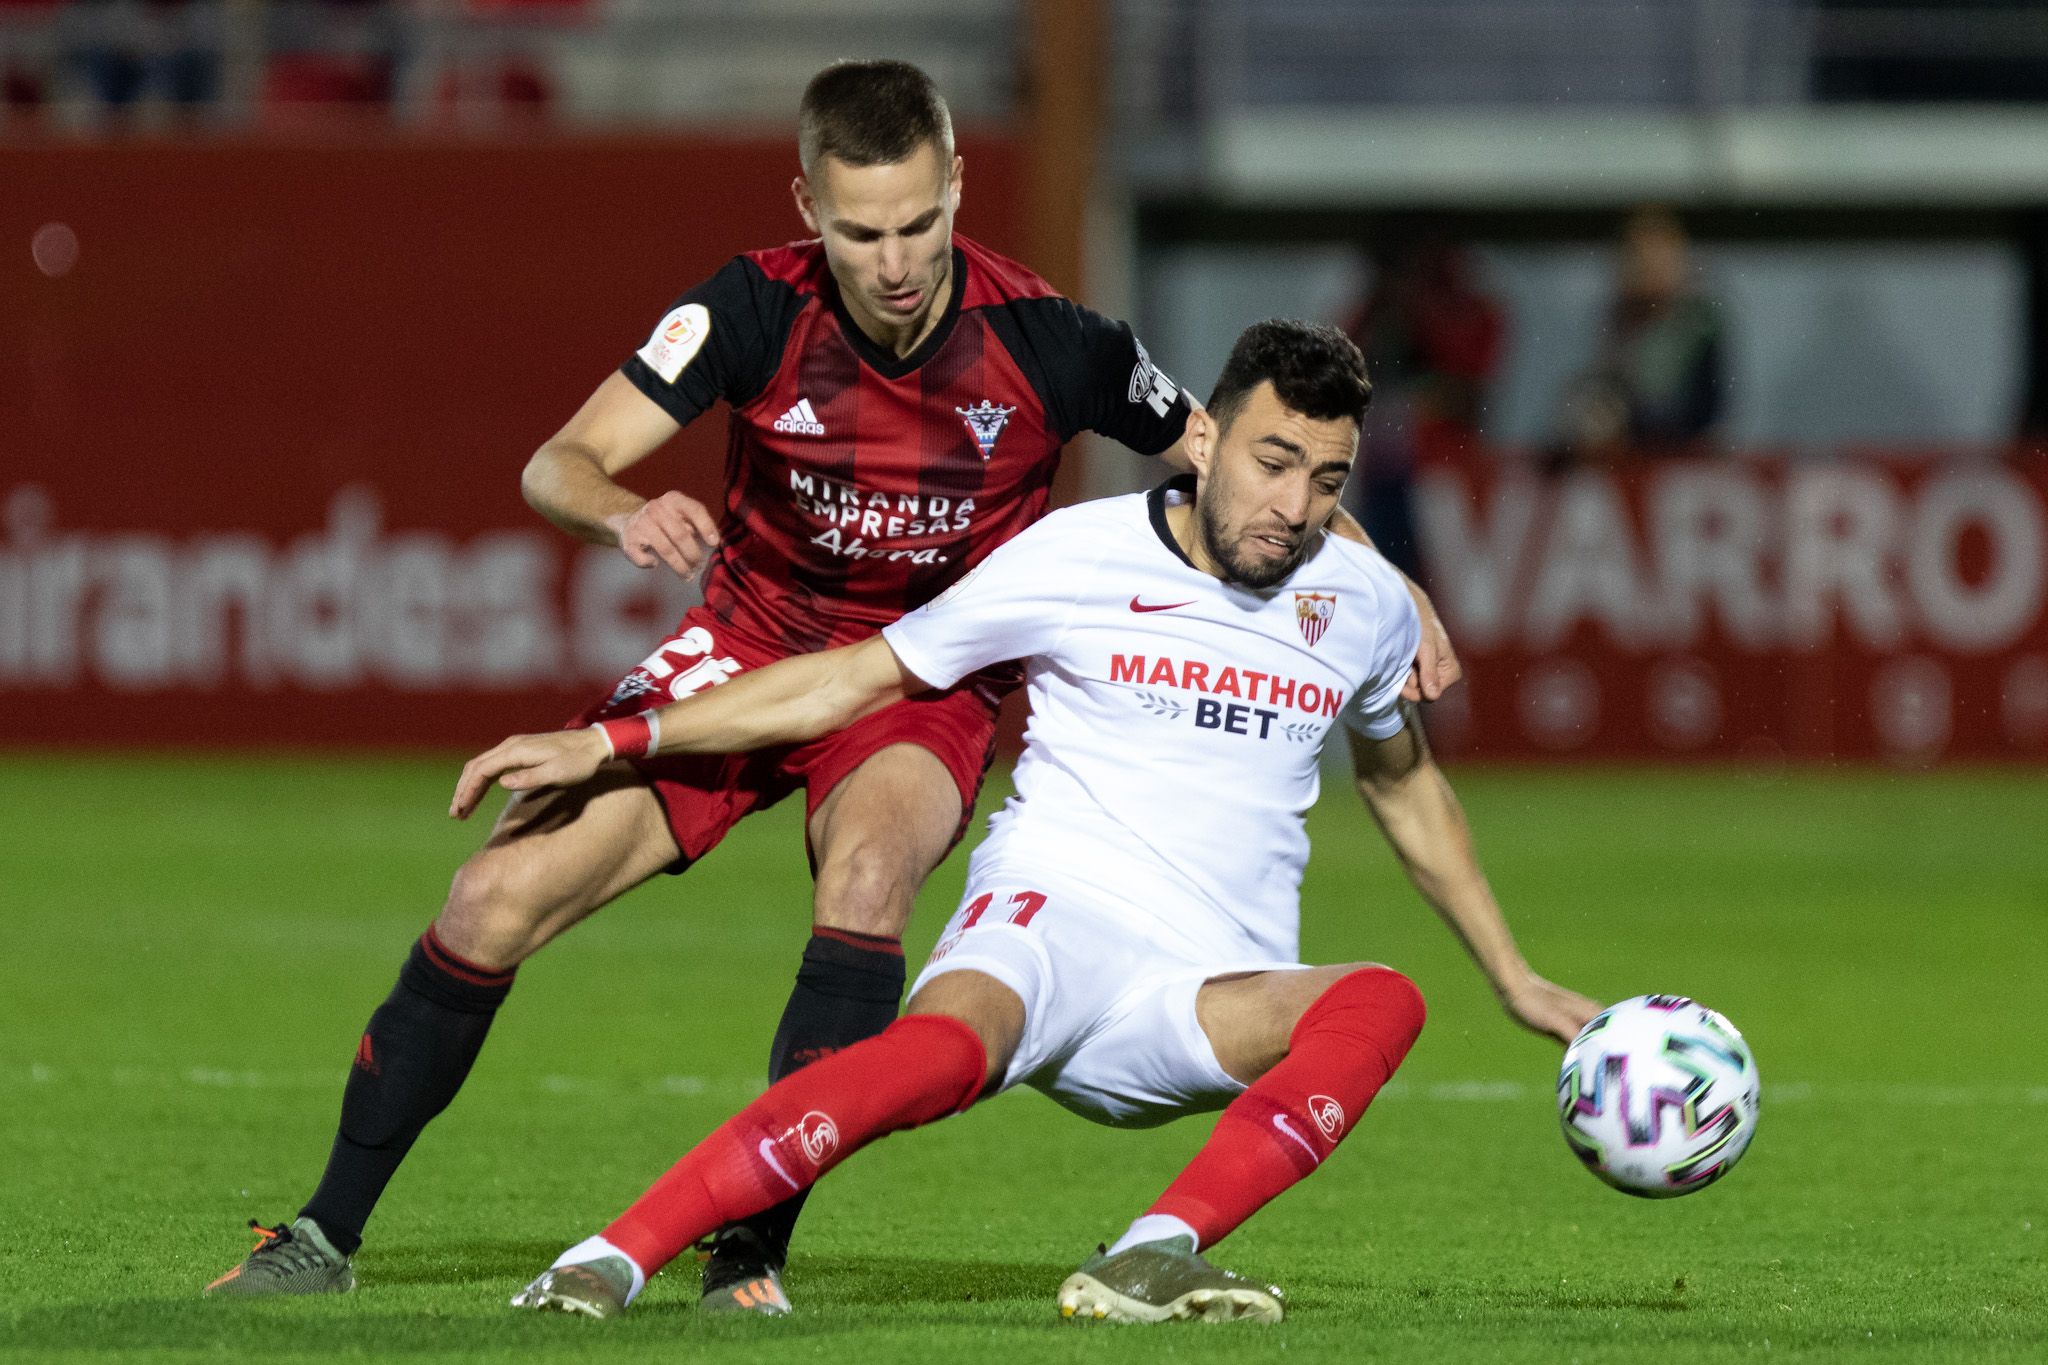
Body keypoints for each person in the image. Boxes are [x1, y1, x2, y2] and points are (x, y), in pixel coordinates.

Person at [203, 61, 1460, 1309]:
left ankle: (745, 1255)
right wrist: (617, 513)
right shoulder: (750, 310)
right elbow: (561, 462)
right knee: (491, 896)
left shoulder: (1054, 342)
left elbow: (1242, 456)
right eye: (861, 232)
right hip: (749, 647)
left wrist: (1393, 590)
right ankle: (320, 1235)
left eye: (921, 221)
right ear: (808, 210)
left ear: (958, 185)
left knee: (866, 881)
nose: (898, 260)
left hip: (923, 682)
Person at [451, 320, 1598, 1325]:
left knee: (1383, 999)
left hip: (1200, 992)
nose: (1292, 508)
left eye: (1327, 480)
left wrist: (1512, 975)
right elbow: (851, 679)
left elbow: (1399, 779)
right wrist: (614, 740)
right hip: (1049, 926)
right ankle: (608, 1259)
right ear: (1203, 441)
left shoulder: (1363, 603)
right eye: (1271, 461)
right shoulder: (1070, 556)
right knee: (933, 1057)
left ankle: (1152, 1255)